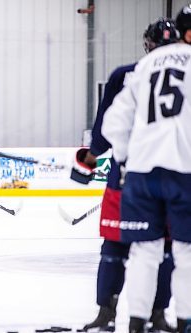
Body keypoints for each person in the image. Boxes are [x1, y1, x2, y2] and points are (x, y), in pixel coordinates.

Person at [72, 18, 179, 332]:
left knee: (115, 246)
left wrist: (90, 158)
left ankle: (107, 314)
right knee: (166, 249)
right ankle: (157, 315)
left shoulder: (126, 75)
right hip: (171, 178)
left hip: (127, 176)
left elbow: (107, 124)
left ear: (147, 44)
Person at [102, 6, 191, 333]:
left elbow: (114, 122)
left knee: (143, 251)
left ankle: (136, 323)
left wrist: (126, 159)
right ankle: (185, 323)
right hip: (185, 174)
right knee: (186, 254)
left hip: (142, 174)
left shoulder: (146, 65)